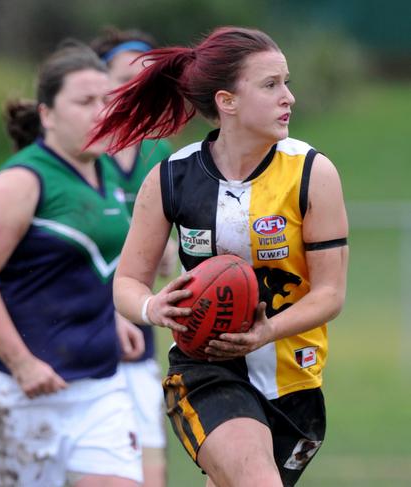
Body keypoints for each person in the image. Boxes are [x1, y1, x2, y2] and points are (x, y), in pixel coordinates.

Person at [88, 26, 349, 487]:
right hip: (206, 370)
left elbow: (329, 293)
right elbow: (126, 283)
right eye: (271, 85)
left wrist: (268, 332)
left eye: (287, 82)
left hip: (295, 382)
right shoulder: (170, 177)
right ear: (227, 101)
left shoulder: (312, 173)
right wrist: (153, 307)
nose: (288, 97)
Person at [0, 44, 142, 487]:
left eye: (106, 101)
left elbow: (94, 265)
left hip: (101, 389)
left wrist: (115, 315)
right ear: (48, 115)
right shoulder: (23, 179)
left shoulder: (110, 173)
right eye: (84, 102)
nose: (100, 112)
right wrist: (21, 362)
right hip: (20, 394)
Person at [90, 26, 174, 487]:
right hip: (78, 340)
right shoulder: (77, 155)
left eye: (146, 78)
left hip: (138, 344)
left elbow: (167, 261)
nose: (135, 87)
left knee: (150, 475)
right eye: (124, 76)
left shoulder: (161, 155)